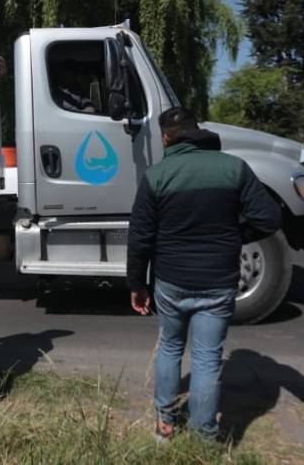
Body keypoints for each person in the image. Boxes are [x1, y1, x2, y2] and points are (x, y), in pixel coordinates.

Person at [127, 106, 282, 440]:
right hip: (218, 281)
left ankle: (165, 424)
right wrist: (237, 235)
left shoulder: (157, 175)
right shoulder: (234, 168)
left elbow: (139, 239)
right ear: (198, 131)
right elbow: (268, 219)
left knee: (170, 347)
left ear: (166, 137)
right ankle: (204, 436)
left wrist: (137, 284)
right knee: (208, 359)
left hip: (171, 280)